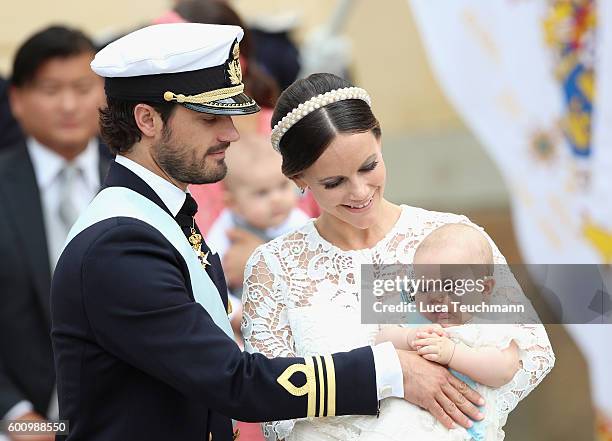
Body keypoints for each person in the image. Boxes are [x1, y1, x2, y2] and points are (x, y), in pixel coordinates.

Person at [50, 24, 484, 441]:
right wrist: (392, 372)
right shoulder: (122, 243)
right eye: (209, 117)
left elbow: (522, 354)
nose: (231, 134)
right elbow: (234, 381)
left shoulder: (159, 217)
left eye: (369, 165)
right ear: (147, 119)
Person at [241, 73, 555, 441]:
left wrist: (454, 414)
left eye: (368, 166)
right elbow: (271, 406)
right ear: (299, 179)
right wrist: (391, 378)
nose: (359, 191)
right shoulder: (273, 267)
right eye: (334, 182)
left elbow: (532, 354)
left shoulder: (453, 237)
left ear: (380, 142)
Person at [0, 25, 109, 441]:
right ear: (17, 99)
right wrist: (15, 415)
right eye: (50, 89)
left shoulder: (135, 180)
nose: (68, 105)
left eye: (83, 88)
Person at [374, 223, 530, 440]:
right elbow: (380, 342)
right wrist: (408, 338)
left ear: (484, 289)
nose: (435, 297)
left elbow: (503, 371)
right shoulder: (416, 320)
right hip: (403, 428)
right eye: (425, 287)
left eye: (450, 286)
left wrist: (453, 354)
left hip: (465, 430)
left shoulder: (490, 326)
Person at [207, 132, 310, 340]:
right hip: (244, 320)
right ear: (232, 203)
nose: (277, 199)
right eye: (262, 193)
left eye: (282, 186)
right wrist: (235, 313)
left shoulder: (299, 222)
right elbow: (211, 280)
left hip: (293, 318)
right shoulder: (226, 228)